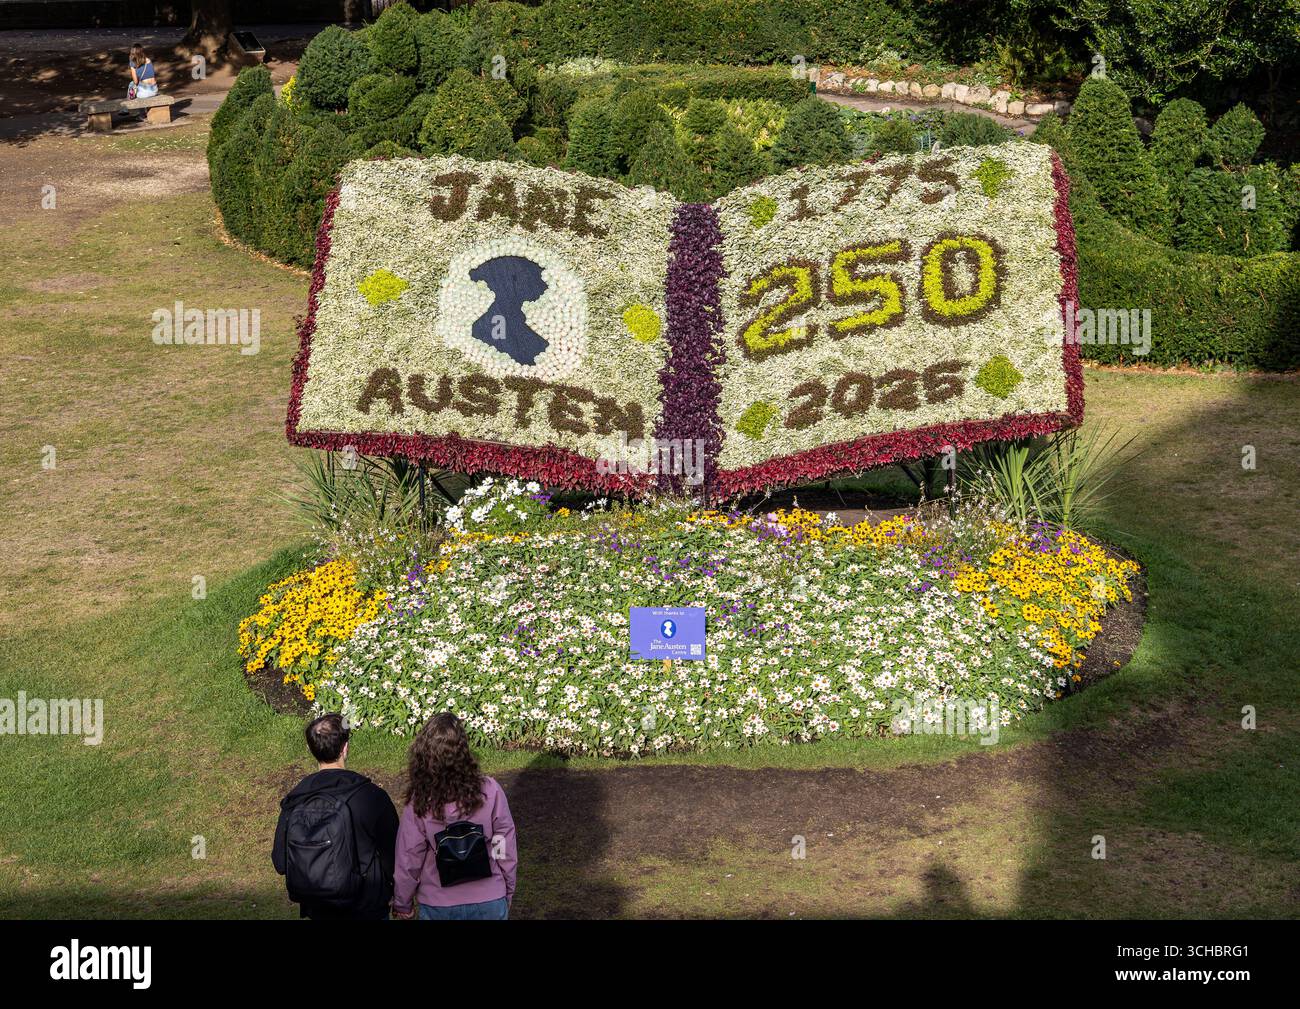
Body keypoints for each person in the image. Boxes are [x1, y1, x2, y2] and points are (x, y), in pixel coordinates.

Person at [272, 713, 399, 920]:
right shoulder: (371, 797)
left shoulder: (295, 800)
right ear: (345, 748)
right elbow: (393, 856)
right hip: (368, 907)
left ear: (309, 749)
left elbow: (280, 861)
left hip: (319, 910)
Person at [392, 713, 517, 920]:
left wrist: (402, 903)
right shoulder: (490, 790)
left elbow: (409, 856)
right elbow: (503, 844)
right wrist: (507, 887)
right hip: (489, 898)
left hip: (438, 903)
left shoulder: (420, 799)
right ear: (464, 749)